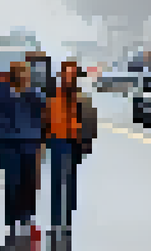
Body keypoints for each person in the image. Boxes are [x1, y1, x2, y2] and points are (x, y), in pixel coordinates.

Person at [0, 60, 46, 241]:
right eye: (19, 73)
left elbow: (44, 119)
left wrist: (42, 142)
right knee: (13, 180)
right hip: (8, 143)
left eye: (25, 74)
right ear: (12, 75)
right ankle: (12, 218)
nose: (23, 77)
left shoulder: (34, 95)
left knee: (29, 180)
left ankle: (27, 216)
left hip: (30, 142)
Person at [43, 60, 97, 235]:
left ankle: (67, 217)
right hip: (57, 139)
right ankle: (56, 220)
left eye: (72, 74)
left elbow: (90, 120)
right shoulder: (52, 96)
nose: (69, 78)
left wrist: (87, 141)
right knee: (58, 179)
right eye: (67, 74)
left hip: (75, 140)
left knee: (71, 178)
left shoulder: (81, 98)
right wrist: (43, 140)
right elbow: (44, 118)